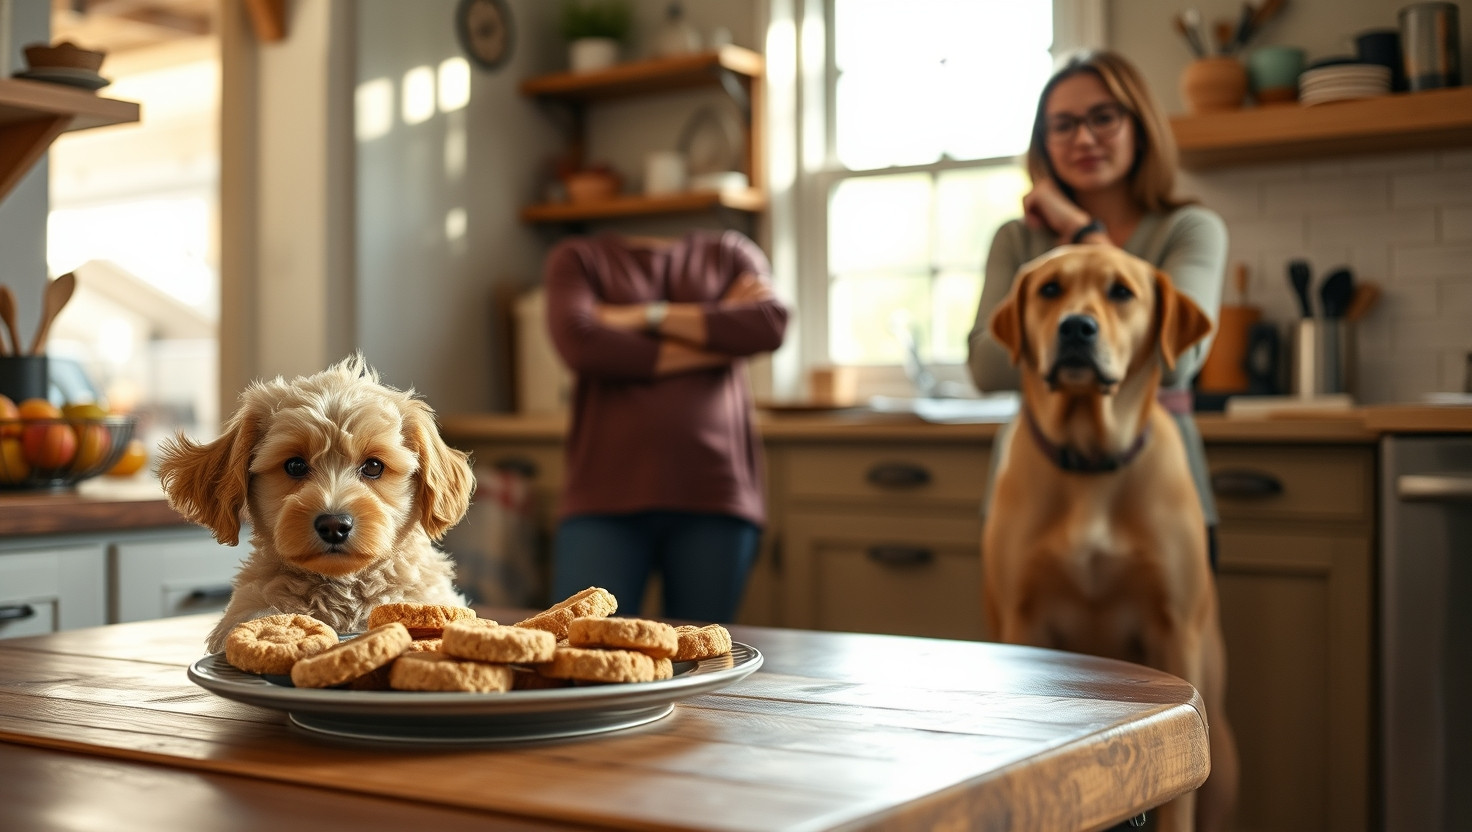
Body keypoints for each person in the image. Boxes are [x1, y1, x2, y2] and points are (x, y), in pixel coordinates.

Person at [966, 49, 1228, 568]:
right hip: (1033, 487)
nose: (1083, 138)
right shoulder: (1017, 240)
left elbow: (1181, 362)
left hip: (1159, 487)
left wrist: (1081, 234)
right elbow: (989, 365)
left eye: (1103, 118)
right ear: (1044, 143)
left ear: (1141, 125)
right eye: (1062, 125)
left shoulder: (1189, 229)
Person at [543, 229, 788, 622]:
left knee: (703, 658)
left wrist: (643, 316)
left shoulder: (731, 252)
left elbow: (770, 323)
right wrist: (718, 336)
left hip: (715, 492)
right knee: (580, 647)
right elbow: (581, 343)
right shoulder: (578, 258)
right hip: (603, 496)